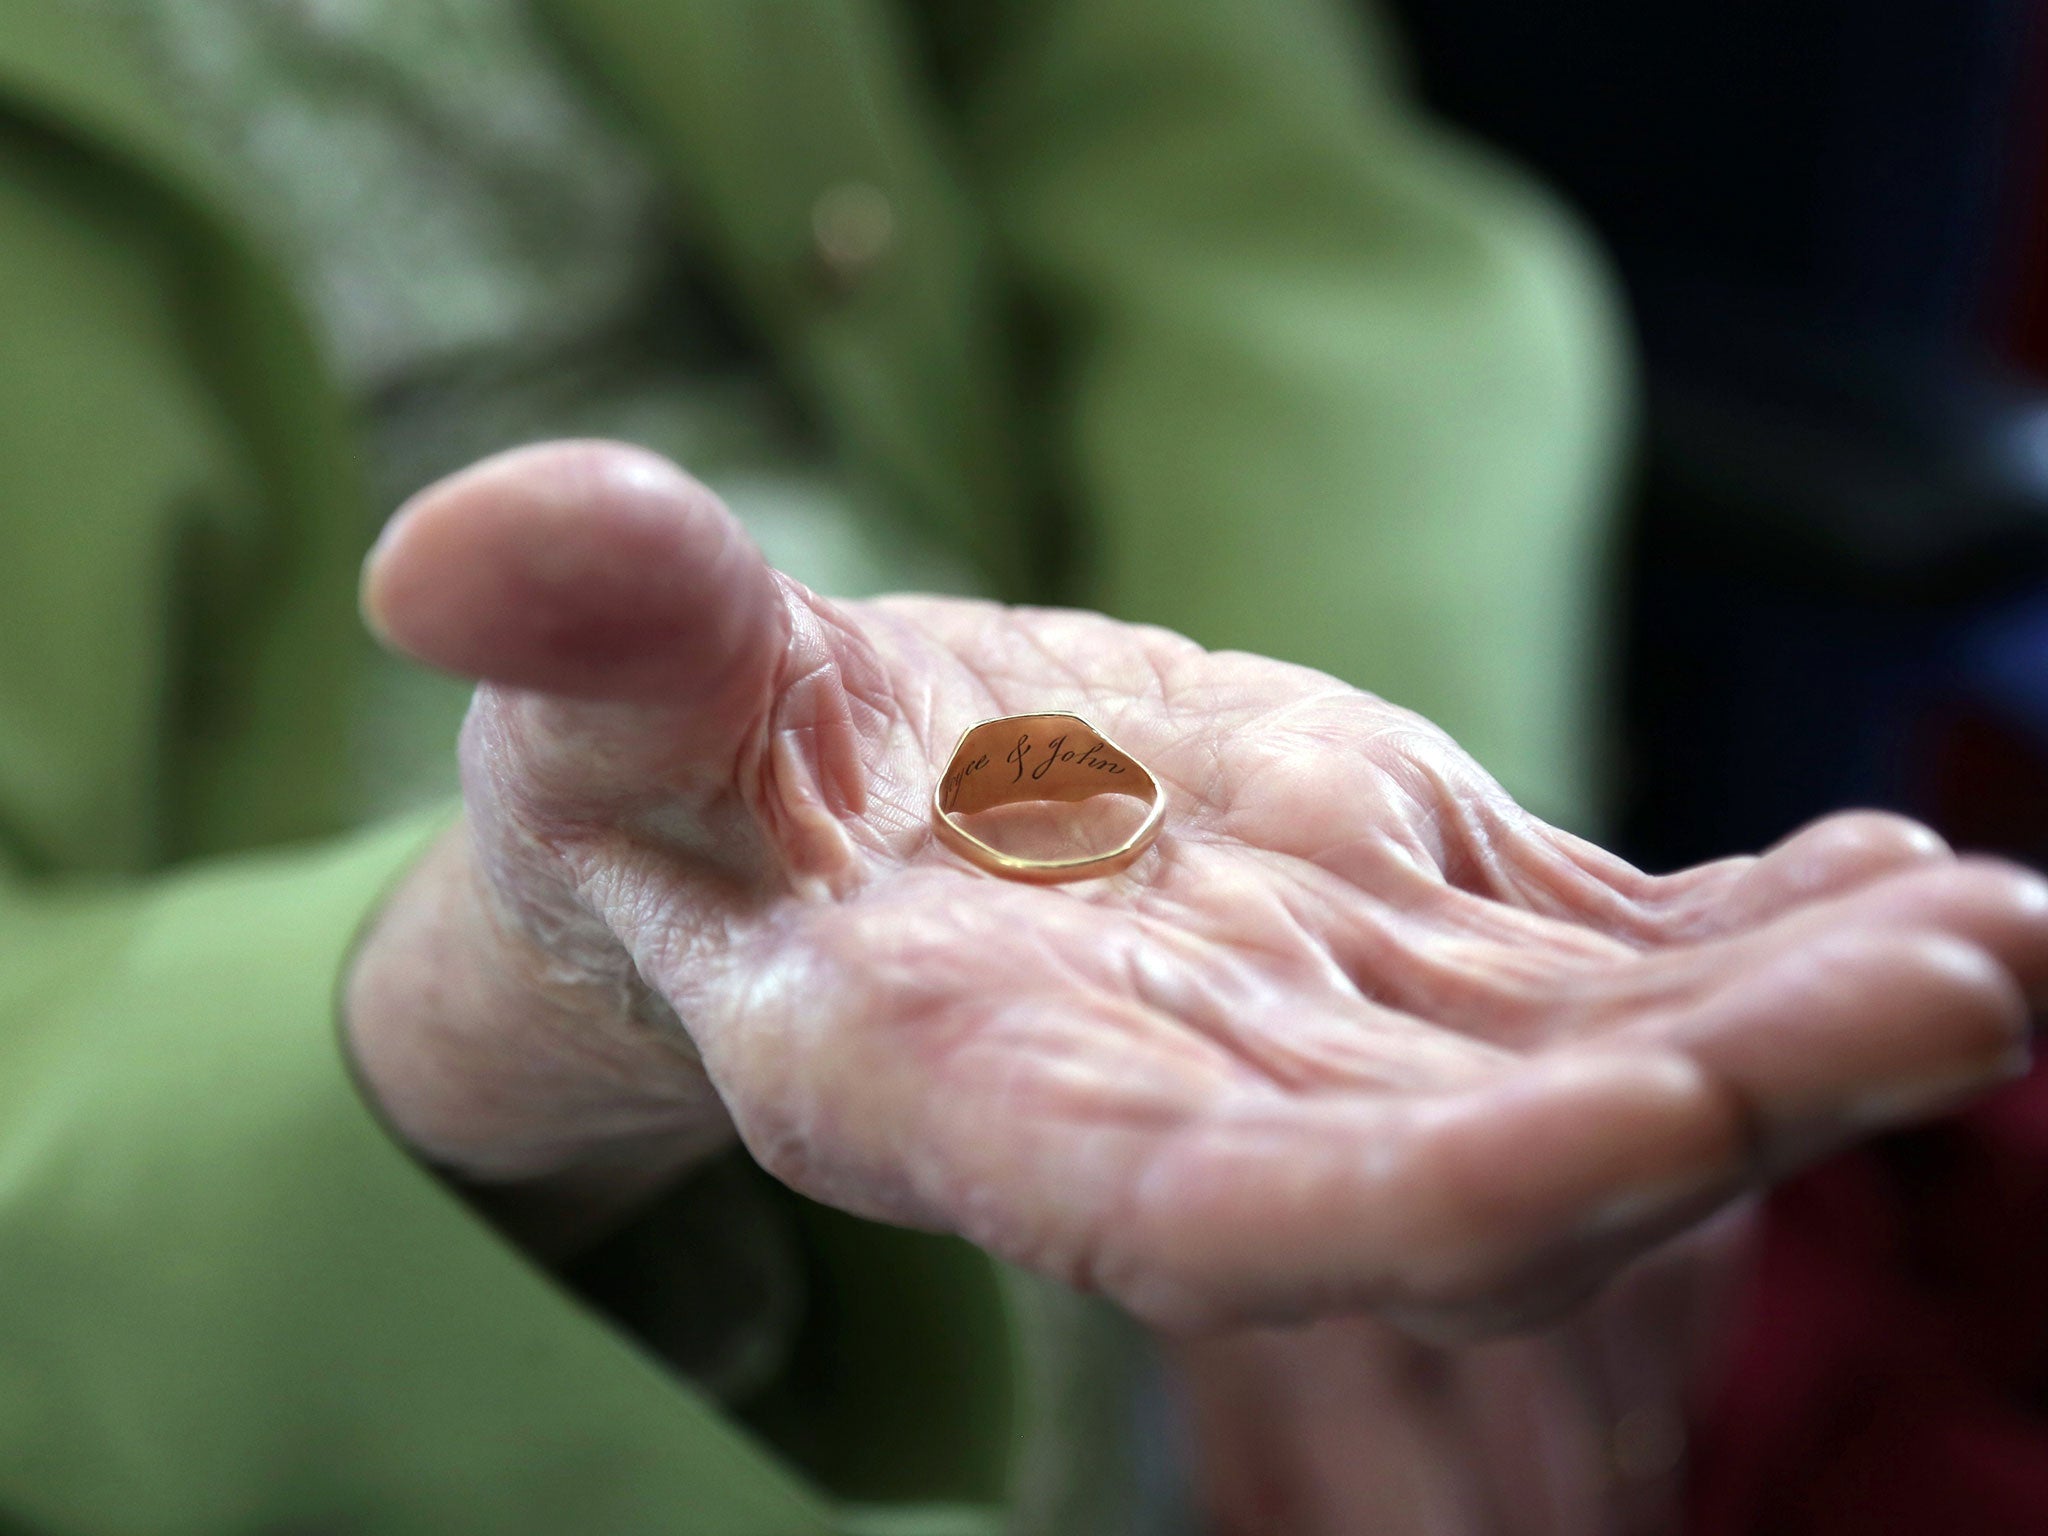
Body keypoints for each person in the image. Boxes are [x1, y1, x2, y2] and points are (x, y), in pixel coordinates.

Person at [4, 1, 2045, 1532]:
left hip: (1113, 775)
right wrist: (490, 1009)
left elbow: (1262, 205)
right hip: (300, 1221)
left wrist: (1372, 847)